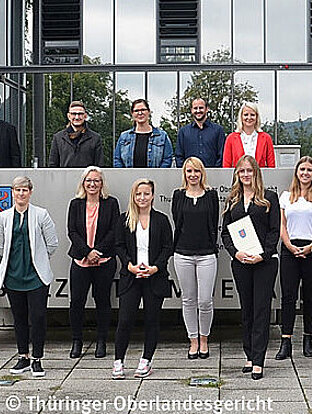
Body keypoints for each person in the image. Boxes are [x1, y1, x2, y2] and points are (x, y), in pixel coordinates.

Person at [221, 155, 280, 380]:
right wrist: (236, 253)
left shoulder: (269, 198)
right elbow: (225, 232)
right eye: (242, 171)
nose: (246, 175)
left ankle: (259, 360)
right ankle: (249, 354)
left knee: (261, 310)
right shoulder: (232, 200)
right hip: (241, 262)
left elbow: (274, 231)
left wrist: (261, 255)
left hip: (264, 262)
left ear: (256, 173)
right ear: (237, 174)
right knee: (246, 310)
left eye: (249, 171)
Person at [0, 176, 59, 378]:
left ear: (31, 192)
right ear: (12, 192)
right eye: (17, 190)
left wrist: (38, 259)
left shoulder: (41, 214)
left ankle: (37, 359)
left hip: (36, 277)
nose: (21, 193)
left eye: (25, 190)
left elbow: (52, 243)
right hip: (13, 276)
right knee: (19, 318)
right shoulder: (4, 217)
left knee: (38, 317)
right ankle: (23, 356)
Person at [113, 179, 174, 379]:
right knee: (125, 319)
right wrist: (129, 265)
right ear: (133, 195)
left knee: (151, 320)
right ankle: (118, 361)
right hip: (131, 277)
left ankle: (146, 360)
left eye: (146, 194)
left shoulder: (162, 220)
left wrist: (155, 267)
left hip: (154, 277)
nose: (142, 198)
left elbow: (168, 247)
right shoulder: (125, 219)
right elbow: (119, 246)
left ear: (153, 195)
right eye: (138, 194)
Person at [276, 157, 312, 360]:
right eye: (302, 169)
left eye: (309, 170)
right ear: (296, 172)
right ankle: (286, 340)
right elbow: (281, 224)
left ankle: (308, 338)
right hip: (290, 250)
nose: (305, 173)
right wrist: (289, 245)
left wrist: (311, 247)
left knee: (310, 296)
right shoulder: (286, 196)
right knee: (288, 296)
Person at [66, 166, 122, 359]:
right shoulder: (75, 204)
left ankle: (101, 341)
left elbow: (114, 231)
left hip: (104, 260)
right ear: (83, 183)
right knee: (77, 302)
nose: (92, 184)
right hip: (80, 261)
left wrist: (97, 251)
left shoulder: (111, 203)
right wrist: (87, 252)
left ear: (102, 183)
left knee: (103, 302)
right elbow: (72, 231)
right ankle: (77, 341)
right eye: (89, 180)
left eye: (96, 180)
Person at [172, 157, 219, 359]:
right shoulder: (178, 195)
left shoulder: (211, 195)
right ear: (185, 173)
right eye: (189, 171)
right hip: (182, 254)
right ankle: (193, 340)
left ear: (202, 173)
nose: (193, 175)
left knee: (205, 301)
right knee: (188, 300)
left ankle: (204, 339)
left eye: (196, 171)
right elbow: (177, 222)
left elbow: (214, 223)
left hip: (207, 254)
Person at [113, 99, 174, 168]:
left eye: (143, 110)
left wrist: (158, 175)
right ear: (132, 114)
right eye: (136, 111)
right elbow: (117, 160)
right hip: (129, 178)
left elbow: (167, 160)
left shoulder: (162, 136)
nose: (140, 113)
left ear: (149, 112)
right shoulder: (124, 137)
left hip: (155, 178)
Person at [49, 101, 106, 168]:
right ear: (68, 116)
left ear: (85, 116)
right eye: (73, 113)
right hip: (65, 178)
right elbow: (53, 165)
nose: (77, 117)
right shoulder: (58, 138)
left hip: (86, 178)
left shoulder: (95, 138)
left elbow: (99, 165)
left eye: (80, 114)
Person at [175, 98, 226, 168]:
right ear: (191, 110)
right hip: (190, 176)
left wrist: (215, 171)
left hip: (213, 175)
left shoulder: (218, 130)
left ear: (207, 109)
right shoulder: (183, 132)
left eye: (201, 108)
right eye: (195, 108)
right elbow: (179, 156)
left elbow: (222, 155)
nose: (198, 111)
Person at [222, 102, 275, 168]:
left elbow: (271, 166)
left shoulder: (266, 138)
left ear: (257, 117)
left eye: (252, 115)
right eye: (246, 114)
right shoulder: (231, 138)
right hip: (238, 177)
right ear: (241, 117)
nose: (249, 118)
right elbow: (226, 166)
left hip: (261, 177)